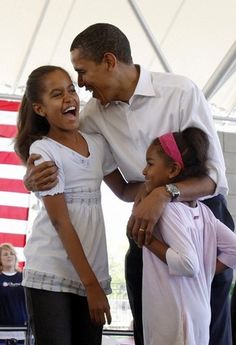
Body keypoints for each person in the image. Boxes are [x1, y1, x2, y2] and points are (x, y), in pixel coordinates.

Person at [23, 23, 235, 345]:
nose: (79, 85)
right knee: (148, 330)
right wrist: (31, 177)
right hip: (144, 229)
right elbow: (54, 141)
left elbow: (214, 177)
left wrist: (164, 194)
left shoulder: (180, 92)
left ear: (109, 61)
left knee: (208, 329)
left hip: (200, 220)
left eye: (82, 72)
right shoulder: (92, 114)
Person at [14, 65, 140, 345]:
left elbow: (123, 190)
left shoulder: (97, 144)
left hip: (90, 270)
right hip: (51, 270)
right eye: (57, 94)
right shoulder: (43, 150)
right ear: (39, 108)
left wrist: (165, 187)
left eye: (71, 89)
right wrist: (91, 285)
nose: (69, 98)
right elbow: (61, 221)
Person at [141, 127, 236, 345]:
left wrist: (148, 241)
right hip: (199, 312)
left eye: (150, 163)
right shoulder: (203, 212)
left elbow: (187, 264)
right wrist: (205, 270)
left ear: (173, 170)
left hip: (174, 317)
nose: (144, 171)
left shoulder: (169, 209)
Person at [0, 243, 28, 345]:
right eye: (5, 254)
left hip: (23, 330)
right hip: (2, 331)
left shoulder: (24, 277)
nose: (9, 256)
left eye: (12, 253)